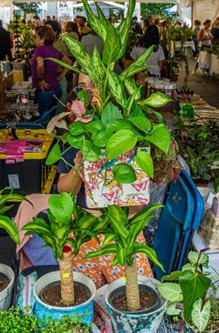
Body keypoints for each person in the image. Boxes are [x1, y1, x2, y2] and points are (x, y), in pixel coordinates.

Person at [54, 74, 153, 288]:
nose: (89, 93)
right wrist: (78, 166)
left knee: (134, 300)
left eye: (94, 85)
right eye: (82, 87)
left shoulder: (133, 134)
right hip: (83, 235)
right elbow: (63, 190)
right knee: (84, 300)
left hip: (124, 234)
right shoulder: (77, 133)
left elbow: (138, 200)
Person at [31, 26, 71, 118]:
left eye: (36, 37)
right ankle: (52, 132)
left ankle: (46, 132)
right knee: (51, 117)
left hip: (45, 91)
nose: (34, 39)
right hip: (55, 89)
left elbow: (40, 64)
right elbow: (69, 62)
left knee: (43, 119)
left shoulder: (40, 50)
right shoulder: (53, 50)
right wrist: (60, 76)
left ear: (43, 38)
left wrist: (40, 79)